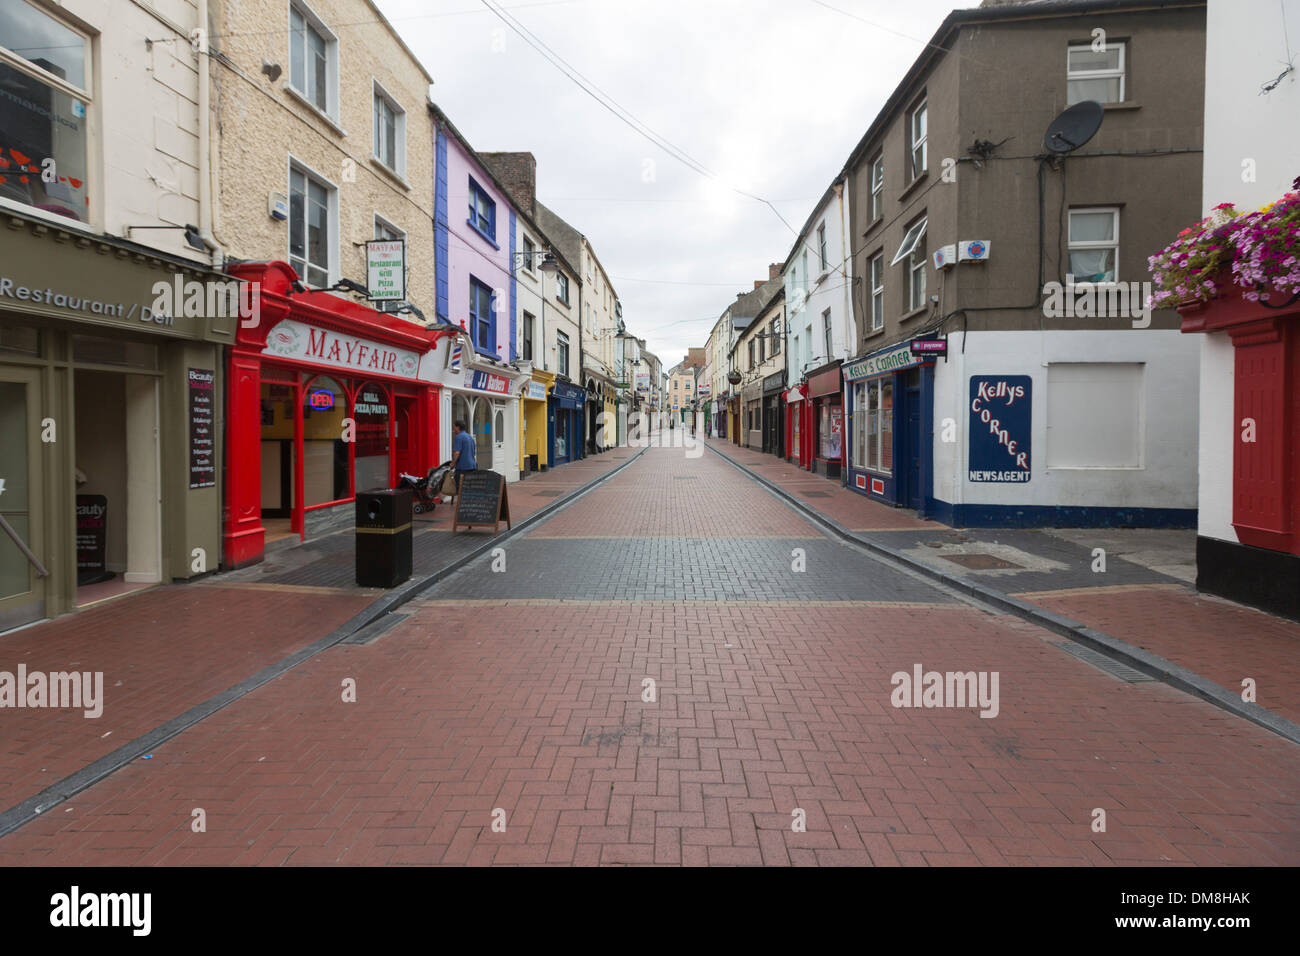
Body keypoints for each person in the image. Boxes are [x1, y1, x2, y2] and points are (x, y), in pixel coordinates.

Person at [450, 420, 476, 495]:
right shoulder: (470, 437)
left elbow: (457, 452)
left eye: (454, 427)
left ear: (458, 427)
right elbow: (473, 452)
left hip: (463, 468)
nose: (453, 429)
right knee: (469, 488)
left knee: (460, 489)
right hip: (472, 467)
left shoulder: (459, 437)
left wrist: (452, 464)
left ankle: (462, 505)